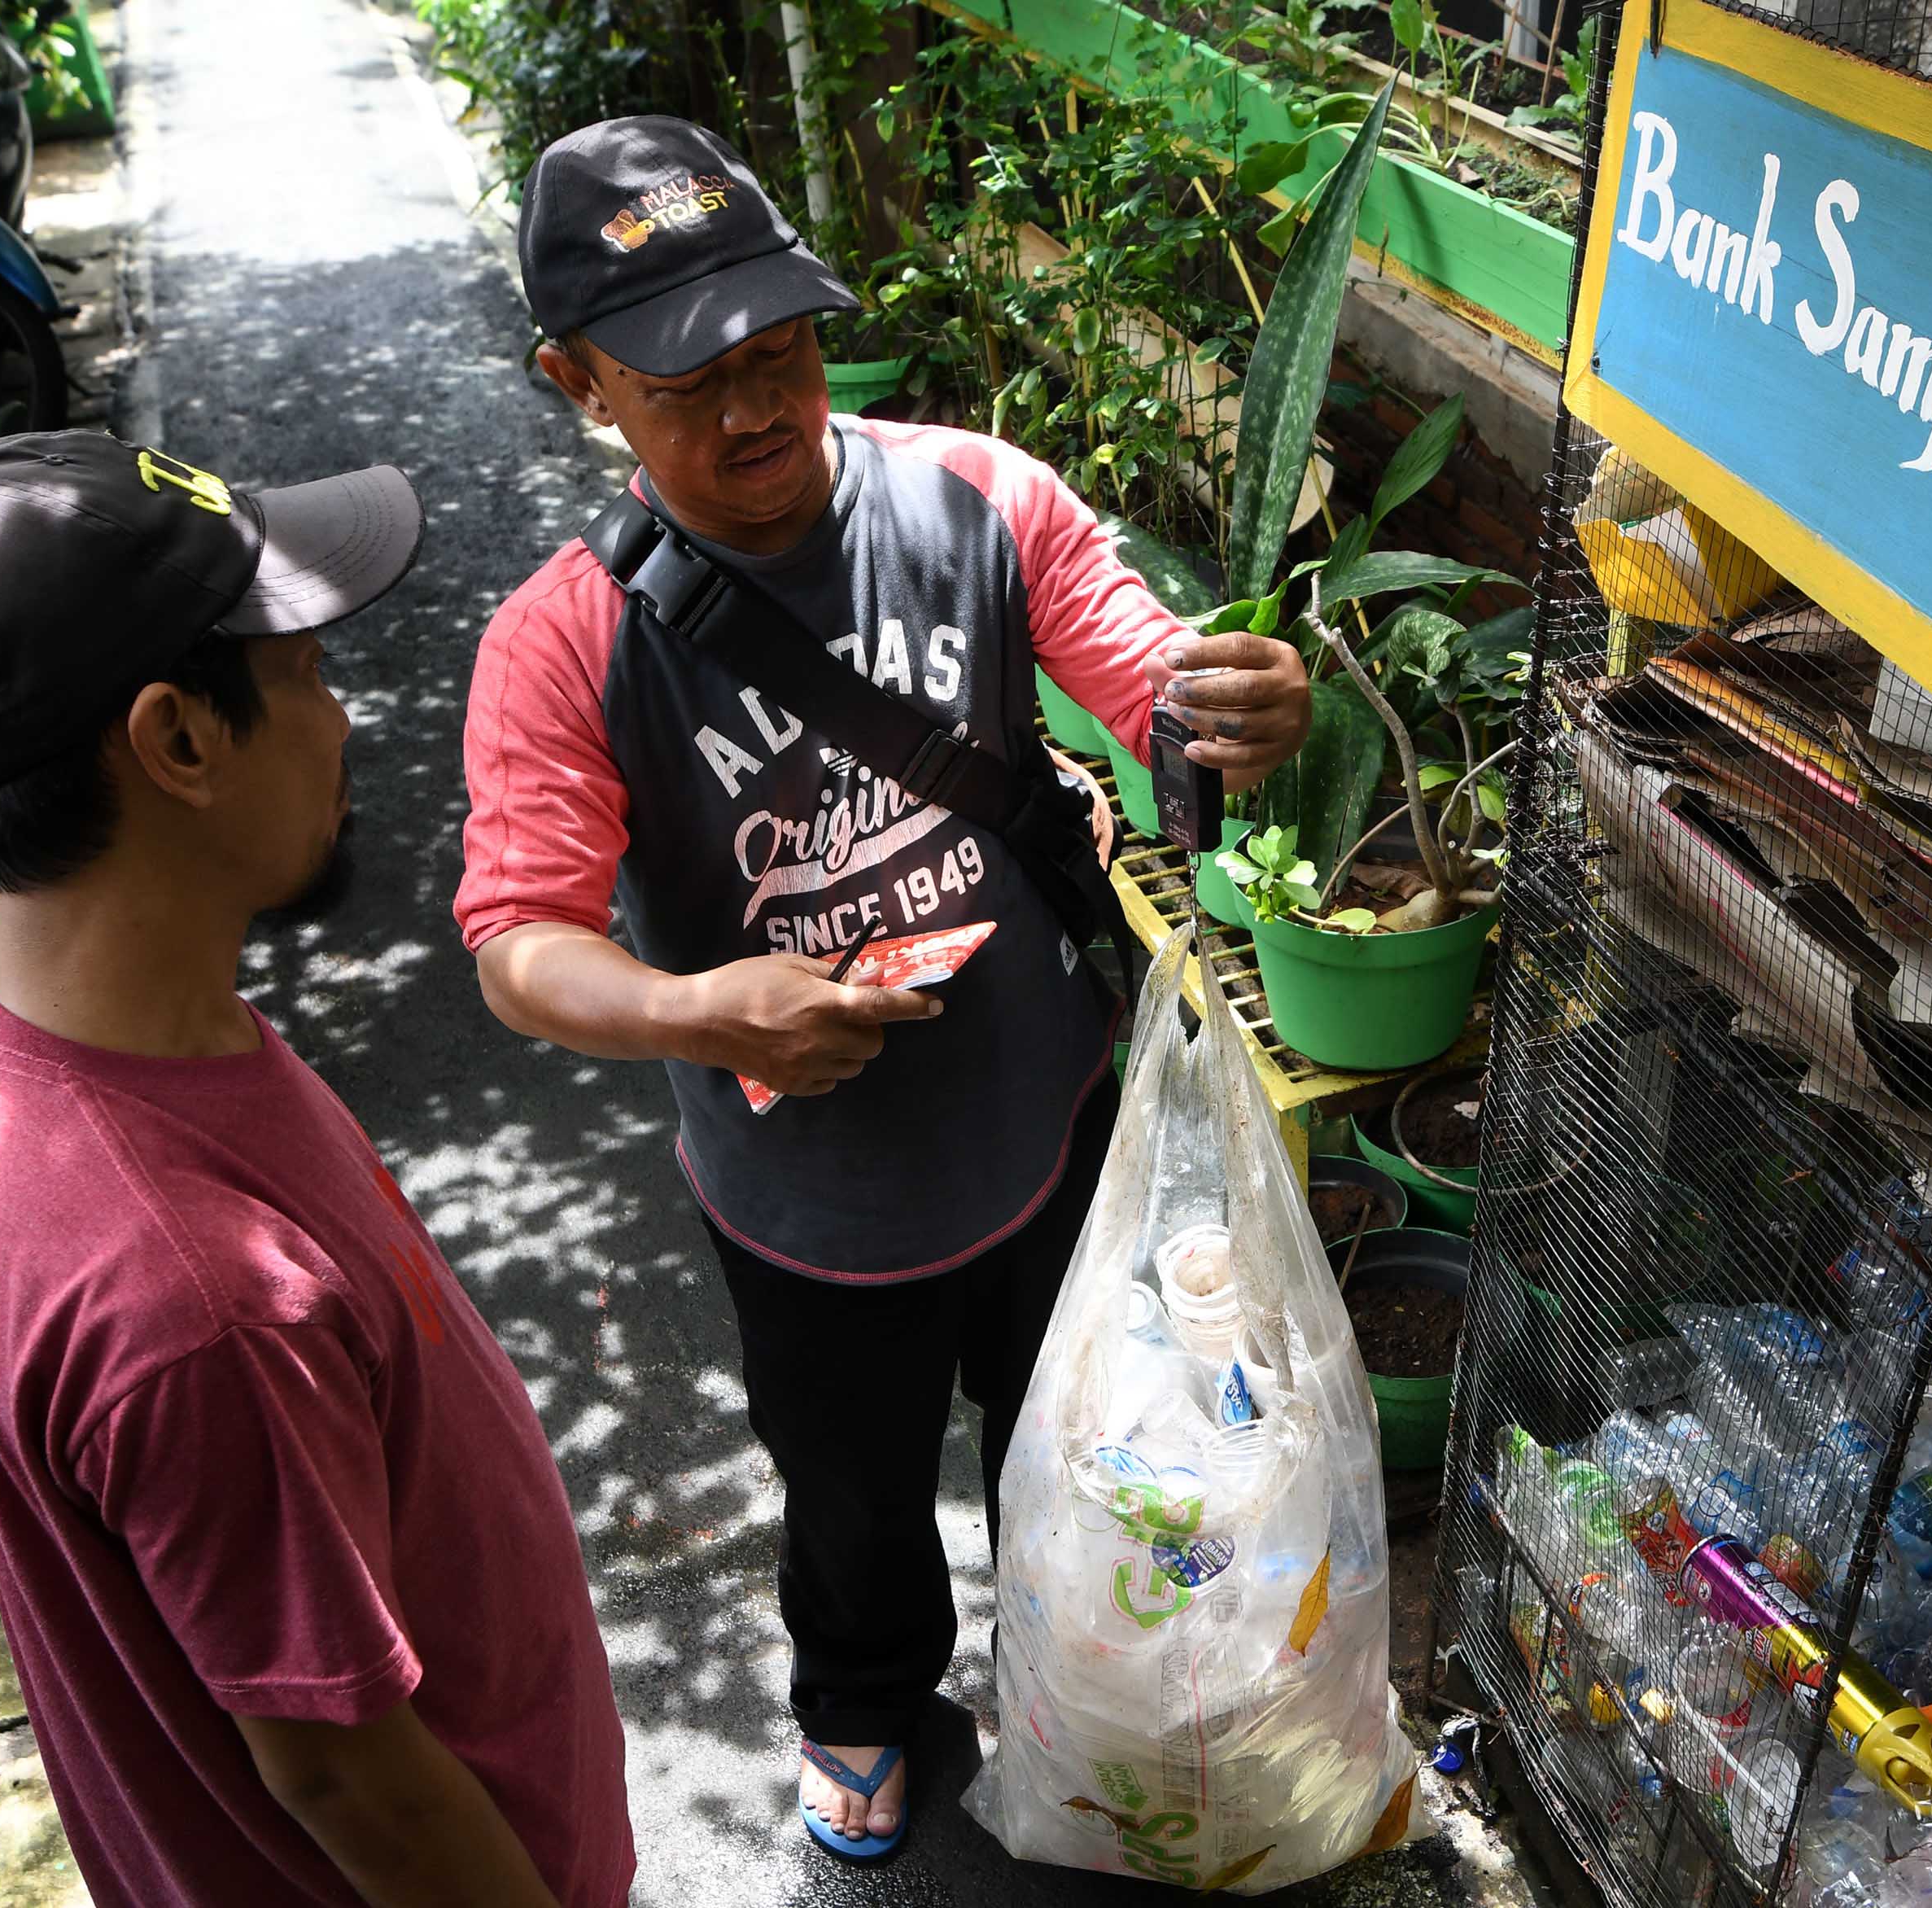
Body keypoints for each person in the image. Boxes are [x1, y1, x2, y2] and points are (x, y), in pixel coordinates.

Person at [456, 116, 1311, 1862]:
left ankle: (1079, 1681)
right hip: (810, 1194)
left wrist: (1226, 711)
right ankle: (862, 1692)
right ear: (579, 384)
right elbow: (519, 942)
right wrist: (702, 1008)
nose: (754, 411)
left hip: (1042, 1114)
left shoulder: (973, 498)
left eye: (777, 352)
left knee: (1082, 1436)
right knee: (848, 1489)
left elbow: (1144, 675)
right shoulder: (566, 639)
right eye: (686, 384)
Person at [0, 432, 632, 1908]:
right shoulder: (197, 1296)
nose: (343, 713)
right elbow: (347, 1776)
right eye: (304, 672)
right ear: (180, 742)